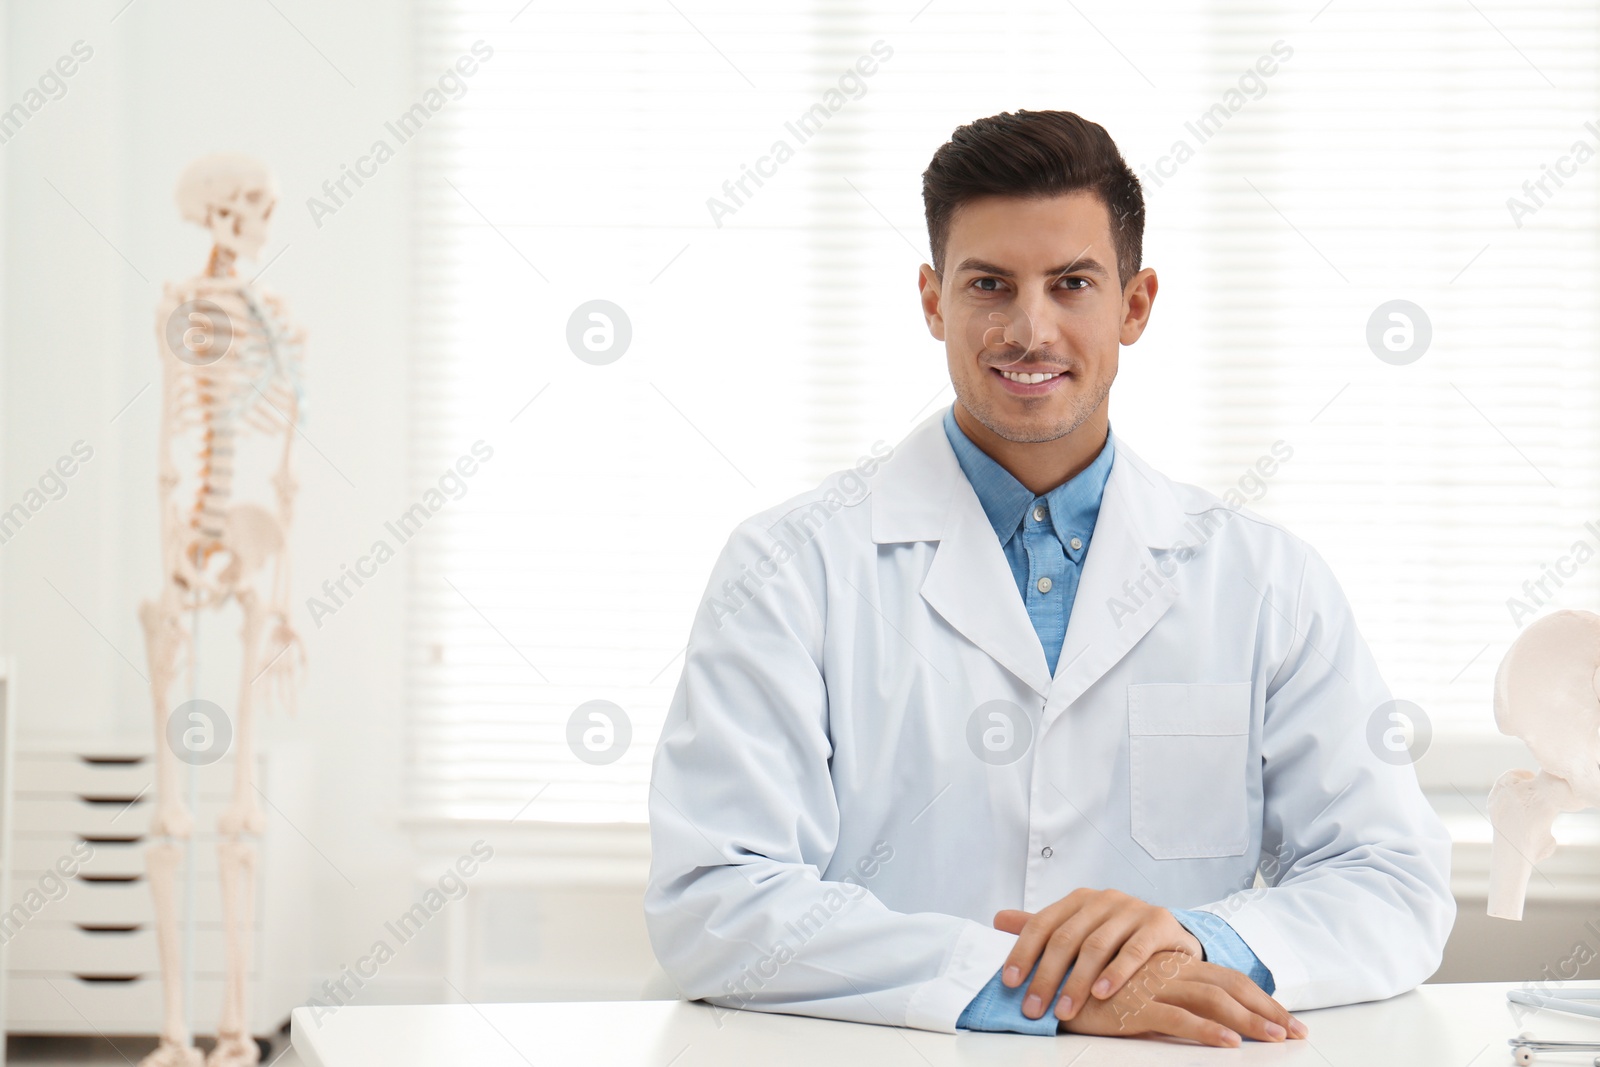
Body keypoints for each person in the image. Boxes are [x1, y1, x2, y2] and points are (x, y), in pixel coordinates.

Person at [644, 109, 1454, 1047]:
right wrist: (1045, 986)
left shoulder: (1268, 580)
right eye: (990, 284)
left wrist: (1197, 942)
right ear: (933, 301)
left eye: (1072, 284)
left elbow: (1394, 881)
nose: (1030, 330)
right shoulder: (790, 568)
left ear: (1135, 305)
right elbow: (715, 903)